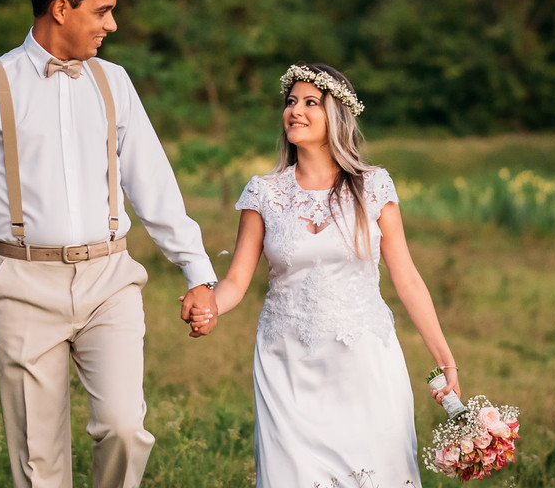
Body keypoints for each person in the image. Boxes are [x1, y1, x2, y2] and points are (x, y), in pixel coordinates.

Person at [0, 0, 219, 488]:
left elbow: (154, 184)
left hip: (109, 279)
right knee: (36, 461)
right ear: (61, 9)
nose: (112, 25)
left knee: (124, 427)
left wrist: (199, 273)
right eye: (102, 11)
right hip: (24, 284)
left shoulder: (114, 82)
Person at [185, 63, 460, 488]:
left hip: (365, 363)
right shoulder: (264, 191)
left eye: (311, 102)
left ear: (337, 115)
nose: (295, 110)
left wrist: (444, 358)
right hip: (286, 366)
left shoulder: (374, 187)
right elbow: (237, 280)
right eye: (291, 102)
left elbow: (406, 278)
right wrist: (210, 307)